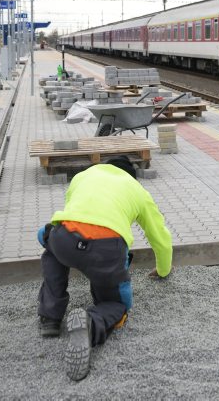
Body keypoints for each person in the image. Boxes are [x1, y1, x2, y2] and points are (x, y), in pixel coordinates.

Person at [37, 156, 173, 381]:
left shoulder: (84, 175)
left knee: (52, 251)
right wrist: (163, 270)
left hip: (66, 239)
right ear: (131, 176)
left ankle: (50, 318)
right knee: (117, 305)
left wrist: (47, 237)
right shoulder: (137, 190)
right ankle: (92, 323)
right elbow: (160, 238)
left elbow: (73, 213)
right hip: (107, 253)